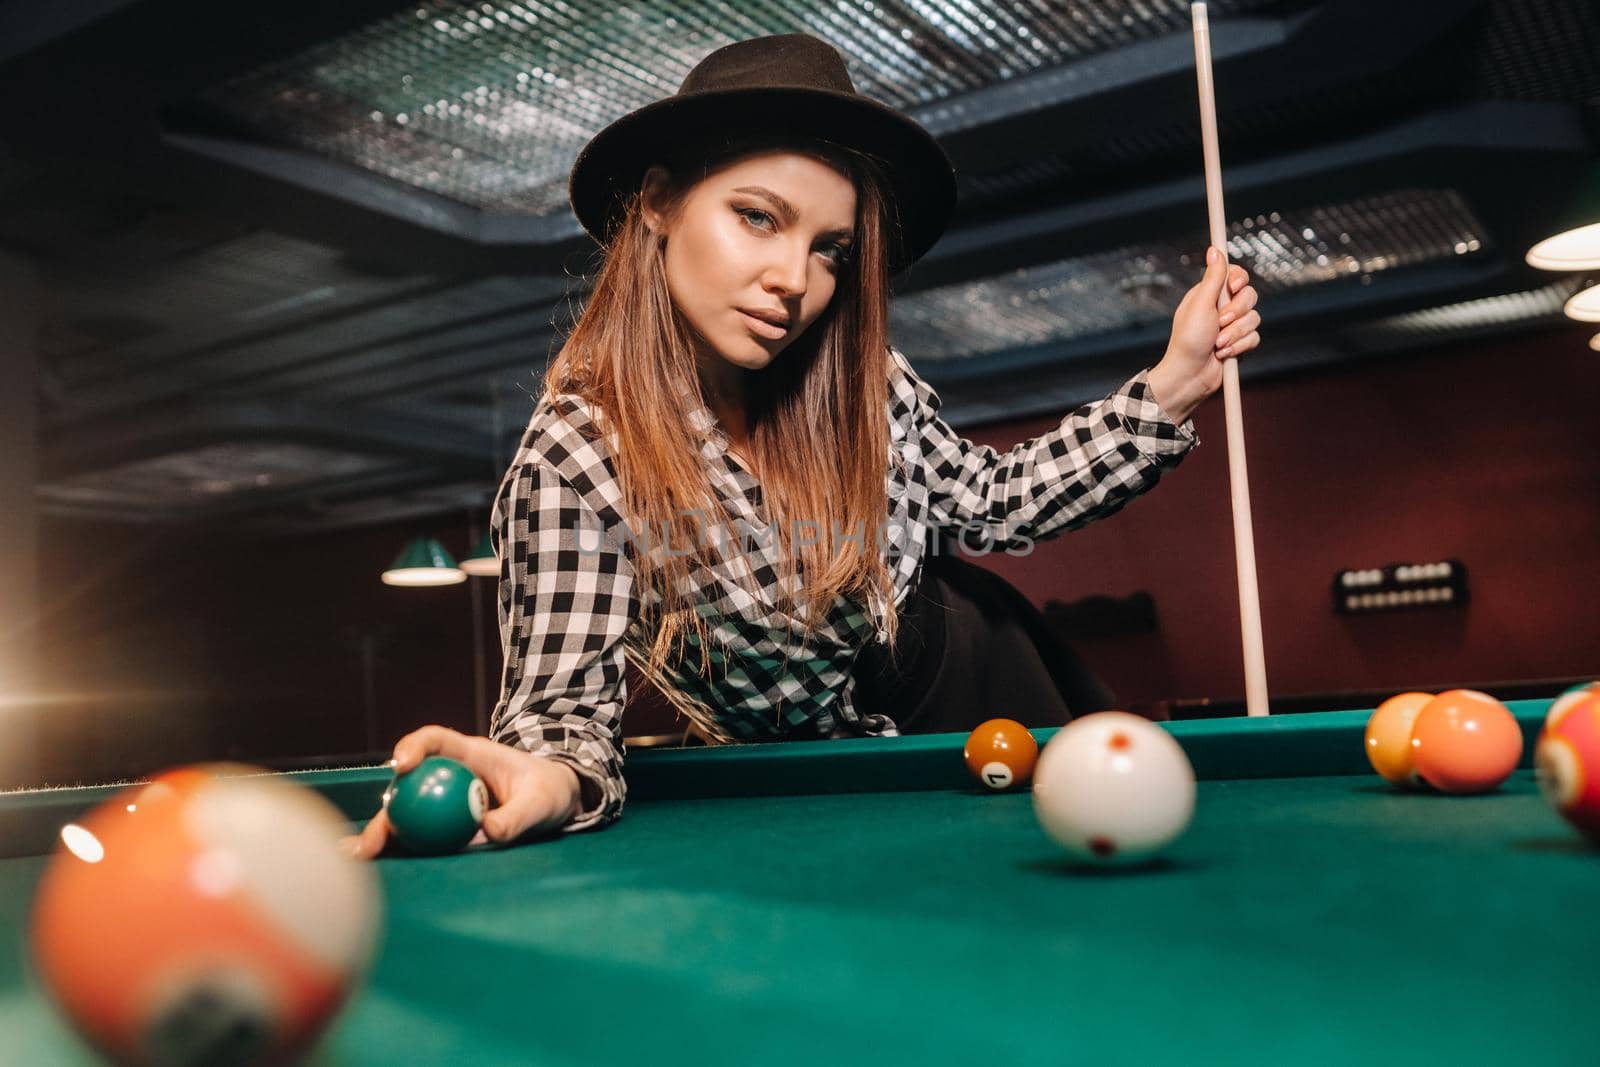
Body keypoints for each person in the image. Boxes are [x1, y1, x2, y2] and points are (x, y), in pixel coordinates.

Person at [345, 34, 1260, 858]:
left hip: (977, 670)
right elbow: (562, 716)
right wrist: (545, 777)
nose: (794, 279)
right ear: (658, 203)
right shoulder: (579, 457)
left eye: (831, 249)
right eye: (757, 216)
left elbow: (996, 500)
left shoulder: (864, 386)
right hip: (823, 771)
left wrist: (1173, 382)